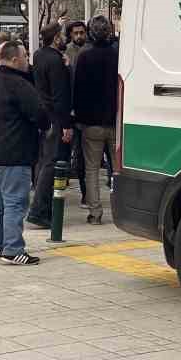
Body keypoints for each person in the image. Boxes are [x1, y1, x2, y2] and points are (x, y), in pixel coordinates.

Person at [0, 39, 48, 265]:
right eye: (26, 57)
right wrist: (45, 126)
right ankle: (13, 249)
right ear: (16, 59)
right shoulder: (18, 83)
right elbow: (39, 112)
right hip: (13, 153)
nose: (28, 61)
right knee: (15, 202)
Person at [26, 22, 74, 229]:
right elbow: (60, 95)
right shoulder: (55, 62)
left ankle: (41, 207)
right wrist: (66, 124)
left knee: (45, 161)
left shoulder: (39, 56)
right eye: (62, 35)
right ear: (56, 38)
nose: (64, 38)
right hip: (56, 118)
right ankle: (39, 210)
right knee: (53, 163)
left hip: (45, 115)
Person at [73, 15, 120, 225]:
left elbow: (78, 90)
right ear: (109, 31)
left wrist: (79, 118)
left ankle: (95, 212)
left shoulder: (84, 57)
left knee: (91, 169)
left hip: (91, 122)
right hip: (115, 120)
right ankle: (121, 209)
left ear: (91, 32)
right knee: (117, 169)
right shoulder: (117, 55)